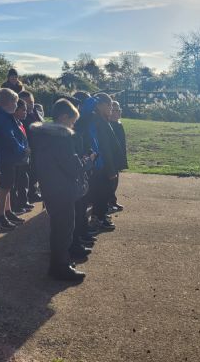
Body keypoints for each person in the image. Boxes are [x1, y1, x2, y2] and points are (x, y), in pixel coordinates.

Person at [30, 98, 95, 281]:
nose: (73, 126)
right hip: (62, 189)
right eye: (72, 121)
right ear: (64, 117)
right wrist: (88, 161)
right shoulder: (61, 138)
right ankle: (60, 267)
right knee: (64, 229)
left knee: (59, 227)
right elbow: (73, 167)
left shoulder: (43, 136)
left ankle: (61, 261)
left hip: (51, 187)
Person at [0, 88, 28, 230]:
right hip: (5, 157)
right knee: (4, 187)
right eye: (16, 102)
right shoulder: (2, 118)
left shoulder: (5, 116)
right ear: (10, 102)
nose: (16, 105)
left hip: (9, 156)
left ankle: (7, 211)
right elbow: (9, 137)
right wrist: (22, 149)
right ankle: (0, 217)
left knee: (8, 187)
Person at [88, 93, 124, 230]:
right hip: (102, 165)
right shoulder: (99, 122)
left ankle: (100, 216)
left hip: (104, 164)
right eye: (108, 105)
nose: (111, 107)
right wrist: (110, 168)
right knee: (102, 193)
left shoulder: (103, 120)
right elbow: (105, 148)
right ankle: (98, 218)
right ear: (99, 106)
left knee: (104, 192)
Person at [19, 91, 44, 203]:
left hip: (38, 147)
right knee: (28, 173)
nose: (31, 105)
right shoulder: (21, 116)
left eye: (32, 102)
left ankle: (33, 193)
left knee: (35, 171)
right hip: (28, 147)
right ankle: (28, 195)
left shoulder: (35, 112)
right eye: (27, 102)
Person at [10, 99, 32, 213]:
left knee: (24, 180)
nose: (25, 112)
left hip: (24, 158)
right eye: (23, 110)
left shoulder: (20, 123)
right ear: (15, 110)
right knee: (15, 184)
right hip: (17, 159)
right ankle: (15, 206)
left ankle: (23, 201)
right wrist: (24, 150)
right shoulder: (12, 124)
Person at [109, 100, 128, 212]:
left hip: (117, 158)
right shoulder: (109, 125)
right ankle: (108, 203)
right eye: (115, 110)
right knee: (110, 182)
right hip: (110, 158)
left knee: (115, 181)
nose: (118, 112)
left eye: (119, 110)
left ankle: (112, 200)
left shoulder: (118, 124)